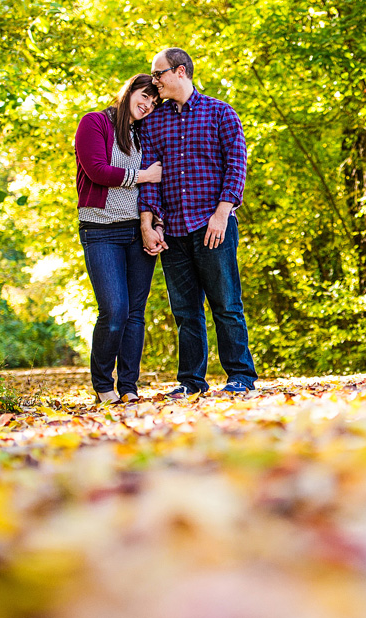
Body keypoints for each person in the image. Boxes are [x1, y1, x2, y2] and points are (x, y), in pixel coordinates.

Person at [139, 47, 258, 397]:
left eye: (158, 73)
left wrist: (222, 214)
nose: (154, 80)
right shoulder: (153, 122)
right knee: (186, 312)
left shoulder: (220, 112)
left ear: (180, 72)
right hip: (173, 231)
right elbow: (152, 180)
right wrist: (153, 224)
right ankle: (191, 381)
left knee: (226, 304)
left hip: (214, 225)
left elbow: (236, 165)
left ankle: (240, 376)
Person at [74, 74, 164, 403]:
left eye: (154, 102)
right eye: (144, 96)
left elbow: (157, 186)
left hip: (138, 229)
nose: (148, 104)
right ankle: (102, 384)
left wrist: (157, 225)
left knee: (135, 312)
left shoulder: (144, 133)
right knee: (114, 309)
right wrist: (142, 175)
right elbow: (97, 169)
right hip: (100, 230)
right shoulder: (95, 123)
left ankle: (128, 387)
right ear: (129, 91)